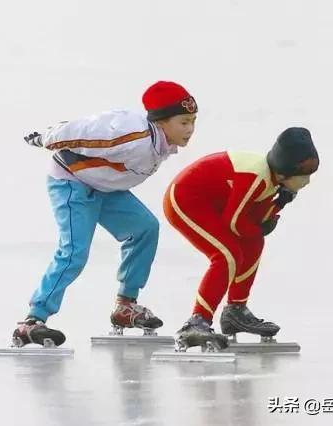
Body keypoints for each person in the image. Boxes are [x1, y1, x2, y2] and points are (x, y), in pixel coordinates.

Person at [13, 81, 198, 347]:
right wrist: (45, 137)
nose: (190, 129)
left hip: (105, 187)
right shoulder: (131, 135)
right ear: (161, 122)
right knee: (74, 251)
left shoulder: (160, 142)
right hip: (72, 182)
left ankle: (125, 306)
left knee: (145, 228)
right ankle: (32, 320)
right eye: (183, 122)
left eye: (192, 121)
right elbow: (82, 131)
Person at [163, 127, 319, 350]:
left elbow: (255, 221)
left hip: (214, 204)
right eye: (304, 176)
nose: (307, 182)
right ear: (284, 173)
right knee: (227, 254)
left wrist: (278, 203)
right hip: (185, 198)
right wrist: (265, 220)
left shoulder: (273, 180)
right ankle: (196, 321)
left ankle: (235, 311)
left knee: (253, 243)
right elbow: (235, 223)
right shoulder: (256, 177)